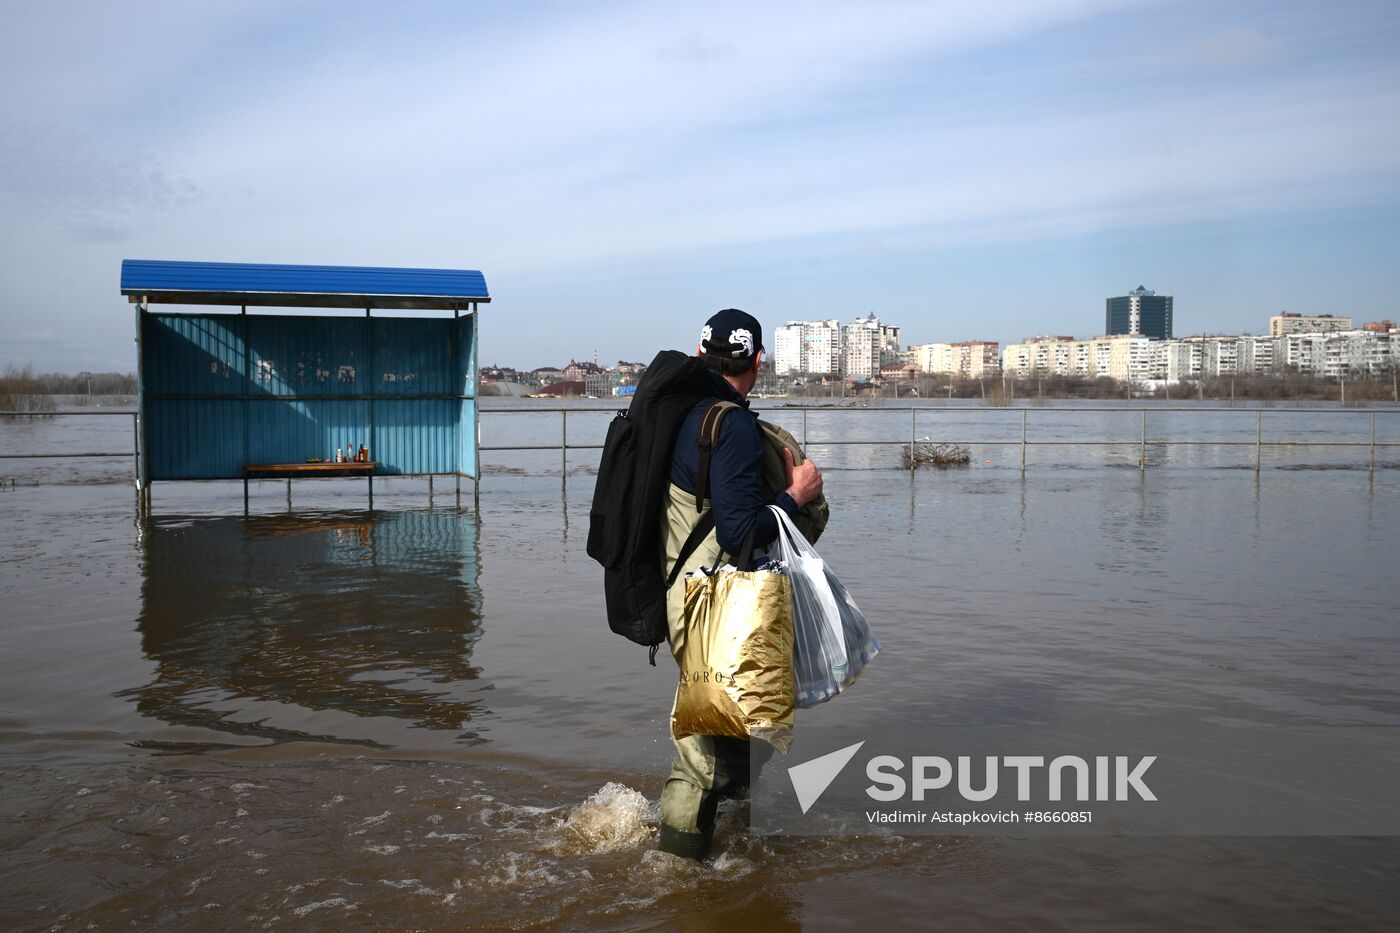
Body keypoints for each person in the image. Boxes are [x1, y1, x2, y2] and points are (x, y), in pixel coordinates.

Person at [657, 308, 824, 859]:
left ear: (703, 353)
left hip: (689, 593)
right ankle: (674, 871)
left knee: (747, 729)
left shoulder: (684, 411)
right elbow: (742, 531)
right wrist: (796, 494)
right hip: (715, 604)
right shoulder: (732, 426)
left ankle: (725, 850)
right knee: (704, 749)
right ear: (757, 362)